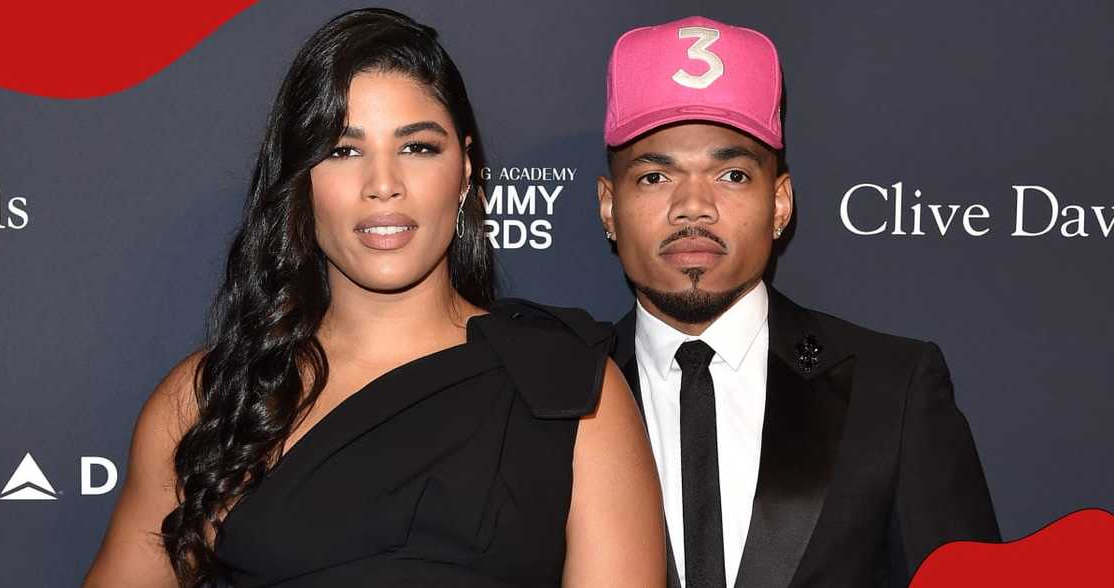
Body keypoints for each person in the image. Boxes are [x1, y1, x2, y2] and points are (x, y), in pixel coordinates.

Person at [84, 8, 664, 587]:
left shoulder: (570, 389)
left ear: (465, 171)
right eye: (343, 150)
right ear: (300, 179)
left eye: (417, 148)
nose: (382, 183)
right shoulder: (211, 401)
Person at [596, 16, 1000, 588]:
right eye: (656, 178)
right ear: (609, 207)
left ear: (780, 203)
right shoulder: (557, 392)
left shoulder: (895, 389)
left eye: (732, 174)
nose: (693, 206)